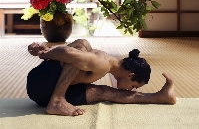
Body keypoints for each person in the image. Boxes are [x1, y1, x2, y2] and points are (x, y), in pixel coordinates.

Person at [27, 39, 176, 117]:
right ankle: (57, 100)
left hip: (41, 82)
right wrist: (44, 53)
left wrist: (44, 50)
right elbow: (68, 52)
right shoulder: (103, 63)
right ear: (130, 75)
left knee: (103, 91)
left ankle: (160, 97)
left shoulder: (107, 62)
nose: (132, 89)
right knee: (82, 47)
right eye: (134, 85)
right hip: (41, 86)